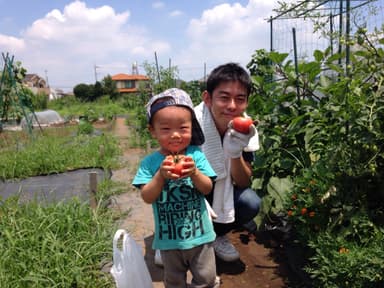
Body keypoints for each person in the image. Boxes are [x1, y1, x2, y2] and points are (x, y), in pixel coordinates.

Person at [132, 88, 220, 288]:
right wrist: (160, 176)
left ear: (192, 127)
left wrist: (195, 173)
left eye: (183, 128)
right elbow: (147, 196)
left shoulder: (196, 156)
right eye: (165, 129)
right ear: (152, 130)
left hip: (201, 236)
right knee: (174, 281)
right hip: (169, 240)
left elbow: (207, 188)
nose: (175, 135)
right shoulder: (150, 163)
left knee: (206, 278)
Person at [194, 62, 262, 262]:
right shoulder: (190, 122)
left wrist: (234, 153)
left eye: (240, 99)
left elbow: (243, 182)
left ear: (247, 102)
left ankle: (218, 234)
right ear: (207, 98)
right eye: (224, 97)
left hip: (225, 187)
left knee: (250, 202)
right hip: (192, 184)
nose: (232, 106)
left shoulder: (246, 130)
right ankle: (175, 235)